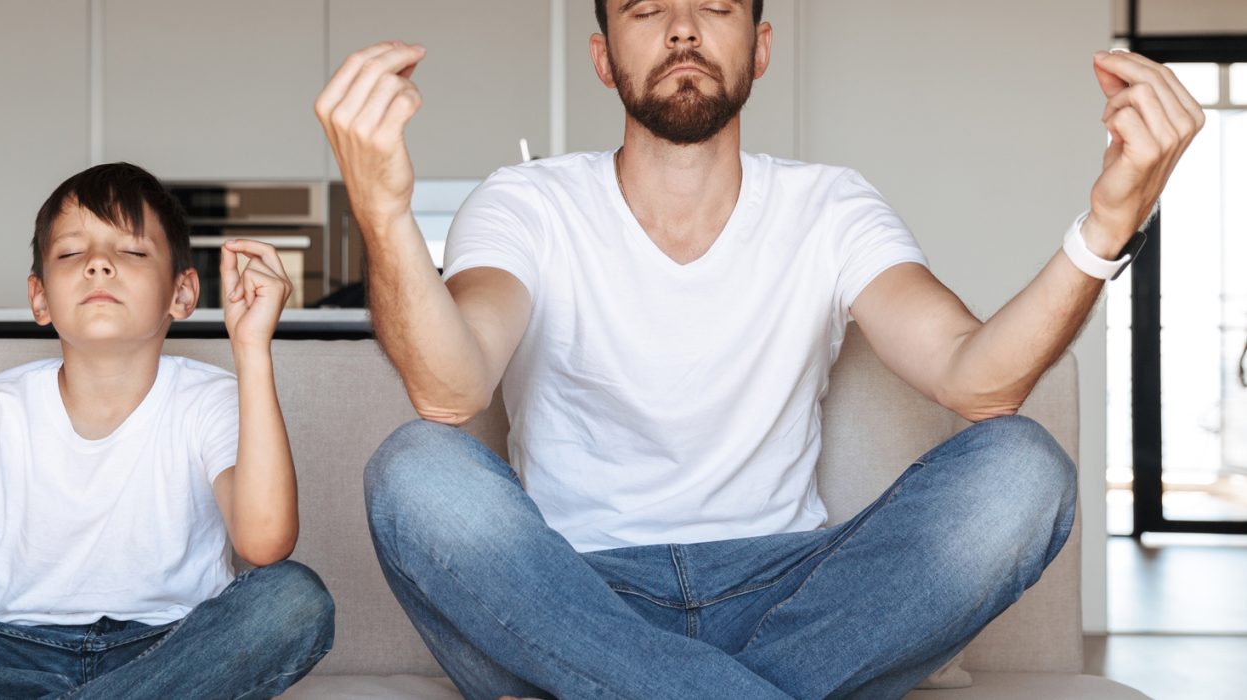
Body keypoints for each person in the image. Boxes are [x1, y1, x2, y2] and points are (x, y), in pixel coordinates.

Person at [314, 0, 1201, 696]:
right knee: (417, 468)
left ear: (760, 47)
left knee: (1023, 469)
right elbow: (449, 388)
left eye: (716, 7)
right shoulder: (527, 205)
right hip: (569, 596)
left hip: (789, 596)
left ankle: (608, 692)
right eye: (646, 8)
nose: (684, 29)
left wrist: (1107, 225)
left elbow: (977, 381)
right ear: (603, 56)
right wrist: (384, 214)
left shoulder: (831, 207)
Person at [0, 163, 334, 699]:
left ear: (182, 294)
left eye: (133, 251)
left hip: (168, 649)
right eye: (71, 253)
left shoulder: (213, 400)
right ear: (40, 298)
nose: (98, 265)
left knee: (292, 599)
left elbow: (265, 543)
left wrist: (252, 349)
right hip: (3, 653)